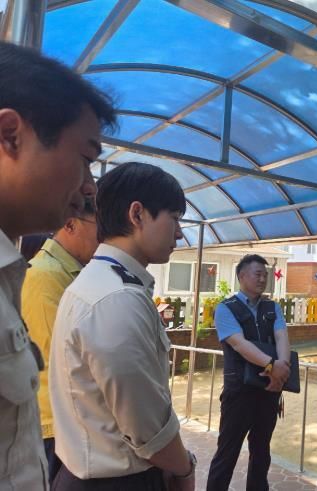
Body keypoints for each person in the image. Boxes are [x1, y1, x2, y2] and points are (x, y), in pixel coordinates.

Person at [0, 41, 114, 490]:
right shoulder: (43, 276)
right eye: (86, 159)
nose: (89, 188)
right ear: (10, 135)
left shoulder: (12, 273)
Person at [49, 162, 196, 491]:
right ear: (137, 214)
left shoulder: (98, 282)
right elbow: (147, 428)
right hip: (118, 482)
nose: (179, 232)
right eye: (174, 218)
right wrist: (185, 470)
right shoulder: (117, 298)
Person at [21, 197, 99, 484]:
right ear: (70, 224)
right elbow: (59, 358)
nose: (105, 238)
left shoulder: (70, 273)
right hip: (53, 424)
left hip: (65, 421)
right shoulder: (46, 276)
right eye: (100, 227)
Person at [207, 254, 291, 491]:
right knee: (227, 452)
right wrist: (272, 366)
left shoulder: (272, 307)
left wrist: (282, 368)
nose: (263, 279)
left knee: (261, 451)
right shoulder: (226, 309)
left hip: (269, 390)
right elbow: (239, 344)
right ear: (242, 276)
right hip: (239, 392)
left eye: (265, 275)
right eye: (258, 274)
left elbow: (282, 337)